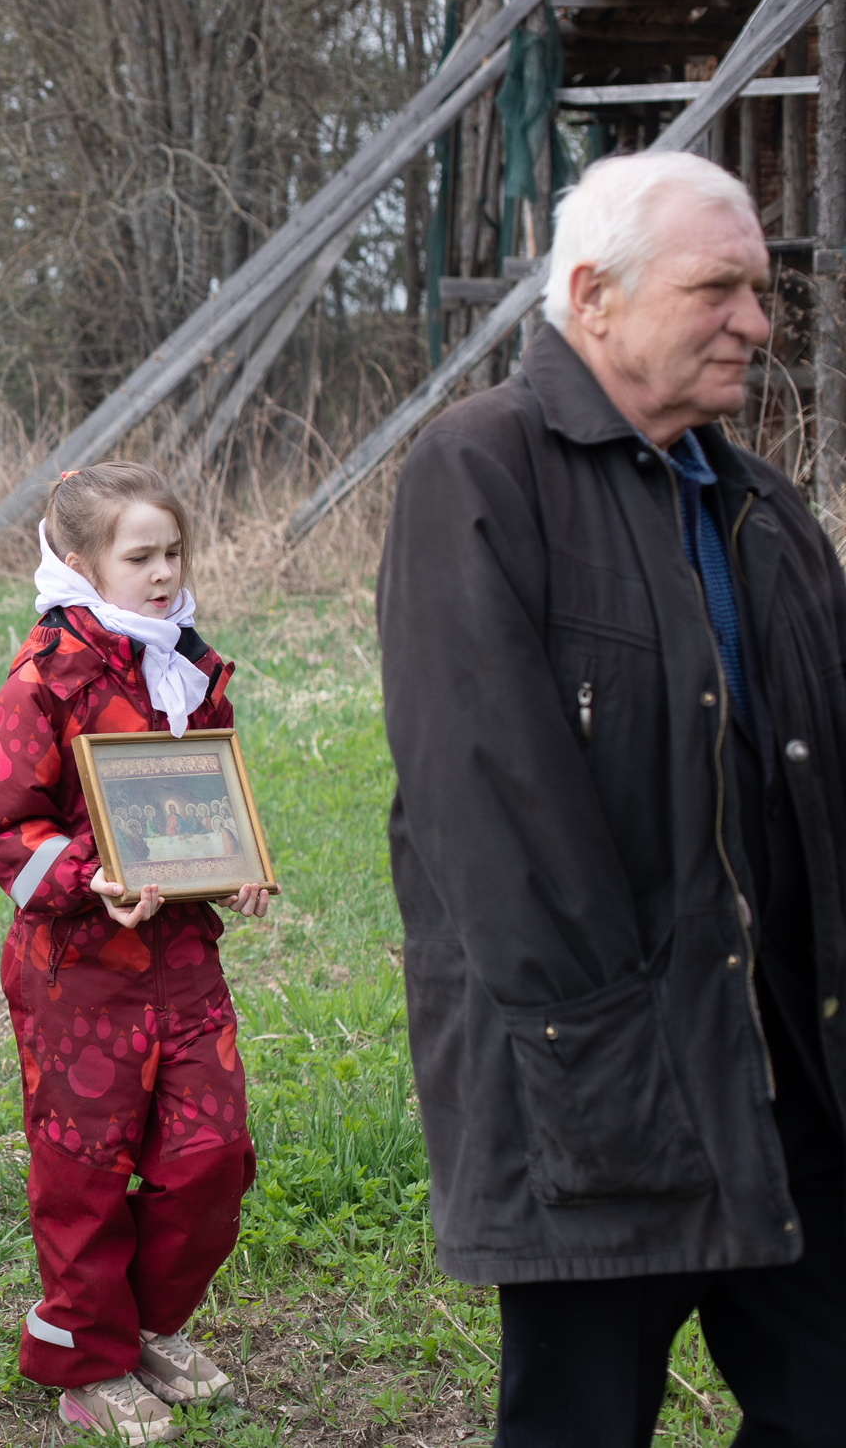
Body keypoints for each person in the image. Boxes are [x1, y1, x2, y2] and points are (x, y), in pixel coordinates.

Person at [377, 151, 846, 1447]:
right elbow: (493, 812)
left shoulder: (764, 508)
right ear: (593, 295)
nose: (756, 319)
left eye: (759, 290)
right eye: (718, 288)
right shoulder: (480, 472)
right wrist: (608, 1070)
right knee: (581, 1424)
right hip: (591, 1090)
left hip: (781, 1070)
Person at [0, 462, 273, 1442]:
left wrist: (237, 863)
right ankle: (85, 1357)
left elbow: (204, 797)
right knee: (84, 1175)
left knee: (210, 1156)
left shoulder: (186, 662)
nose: (160, 572)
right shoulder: (40, 682)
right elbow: (5, 833)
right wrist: (81, 879)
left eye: (172, 552)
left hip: (184, 959)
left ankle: (145, 1323)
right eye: (137, 556)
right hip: (79, 979)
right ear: (76, 561)